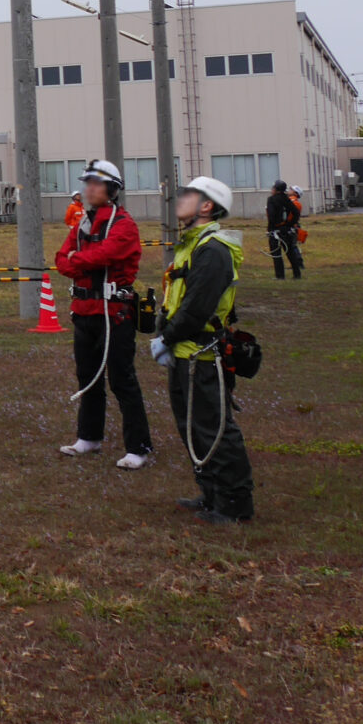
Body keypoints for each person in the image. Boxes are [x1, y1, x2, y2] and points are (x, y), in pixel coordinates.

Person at [150, 176, 255, 524]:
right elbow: (177, 298)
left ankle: (235, 505)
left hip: (202, 356)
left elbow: (196, 308)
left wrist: (166, 338)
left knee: (215, 429)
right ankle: (211, 494)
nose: (180, 199)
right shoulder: (192, 245)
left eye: (188, 195)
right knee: (192, 428)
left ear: (206, 206)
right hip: (184, 354)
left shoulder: (213, 250)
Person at [55, 160, 154, 470]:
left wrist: (79, 259)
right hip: (84, 312)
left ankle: (138, 447)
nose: (89, 189)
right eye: (88, 183)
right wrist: (78, 259)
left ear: (112, 189)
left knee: (122, 380)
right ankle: (89, 437)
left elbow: (106, 254)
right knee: (88, 377)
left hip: (115, 314)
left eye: (96, 184)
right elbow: (61, 260)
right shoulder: (82, 223)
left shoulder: (124, 224)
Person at [266, 179, 303, 280]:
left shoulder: (271, 200)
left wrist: (270, 229)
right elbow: (296, 212)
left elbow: (271, 216)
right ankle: (297, 274)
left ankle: (280, 275)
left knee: (276, 253)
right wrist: (289, 224)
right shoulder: (287, 199)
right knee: (290, 252)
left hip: (275, 231)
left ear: (276, 189)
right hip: (286, 230)